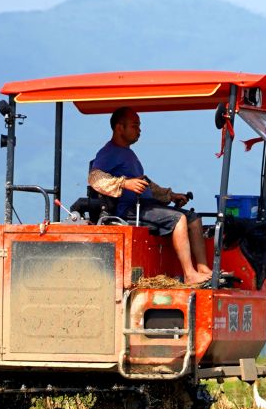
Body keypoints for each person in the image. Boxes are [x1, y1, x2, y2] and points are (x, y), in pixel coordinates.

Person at [88, 107, 212, 285]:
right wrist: (124, 183)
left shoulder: (128, 153)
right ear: (119, 128)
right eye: (134, 126)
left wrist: (170, 195)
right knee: (178, 219)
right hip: (129, 211)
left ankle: (203, 269)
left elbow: (145, 184)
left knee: (193, 218)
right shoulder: (109, 152)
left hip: (145, 205)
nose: (139, 130)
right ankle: (189, 274)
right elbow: (95, 178)